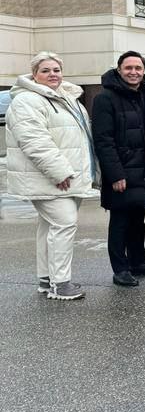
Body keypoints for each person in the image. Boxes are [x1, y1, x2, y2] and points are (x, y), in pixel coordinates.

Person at [5, 52, 99, 300]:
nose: (52, 74)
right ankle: (61, 284)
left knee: (49, 227)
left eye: (56, 70)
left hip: (67, 178)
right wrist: (59, 171)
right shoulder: (27, 100)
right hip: (51, 177)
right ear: (34, 74)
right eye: (45, 70)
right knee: (64, 223)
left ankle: (47, 279)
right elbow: (34, 141)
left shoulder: (66, 98)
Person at [92, 51, 145, 287]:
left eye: (138, 68)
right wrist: (115, 174)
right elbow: (103, 140)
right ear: (119, 69)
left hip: (142, 170)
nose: (133, 72)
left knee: (138, 220)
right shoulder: (105, 98)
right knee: (120, 222)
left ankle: (138, 262)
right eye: (128, 68)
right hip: (121, 171)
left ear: (144, 70)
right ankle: (120, 269)